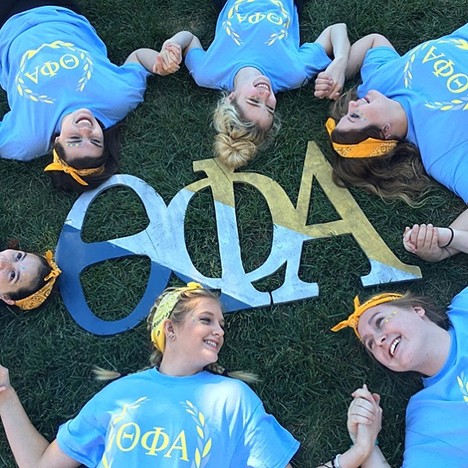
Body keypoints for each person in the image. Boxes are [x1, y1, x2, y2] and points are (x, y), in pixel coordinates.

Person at [0, 282, 383, 467]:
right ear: (170, 329)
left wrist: (359, 452)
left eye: (221, 323)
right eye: (206, 320)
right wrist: (4, 395)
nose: (219, 331)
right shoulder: (120, 393)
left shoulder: (233, 398)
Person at [0, 0, 180, 192]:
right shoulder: (117, 100)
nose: (85, 130)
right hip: (58, 9)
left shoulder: (29, 139)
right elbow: (137, 58)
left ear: (57, 142)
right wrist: (158, 64)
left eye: (75, 139)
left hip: (6, 25)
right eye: (95, 140)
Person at [323, 24, 468, 262]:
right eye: (356, 116)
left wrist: (340, 68)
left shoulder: (378, 84)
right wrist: (444, 249)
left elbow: (374, 41)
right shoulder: (441, 151)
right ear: (384, 133)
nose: (353, 103)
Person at [159, 0, 350, 169]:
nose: (265, 95)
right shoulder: (292, 73)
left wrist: (173, 43)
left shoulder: (207, 73)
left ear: (230, 97)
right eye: (270, 107)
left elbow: (189, 39)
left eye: (253, 100)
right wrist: (340, 61)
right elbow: (336, 29)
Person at [331, 289, 468, 466]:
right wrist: (366, 444)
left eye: (380, 322)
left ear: (417, 309)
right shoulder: (428, 414)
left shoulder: (464, 307)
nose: (378, 341)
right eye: (371, 344)